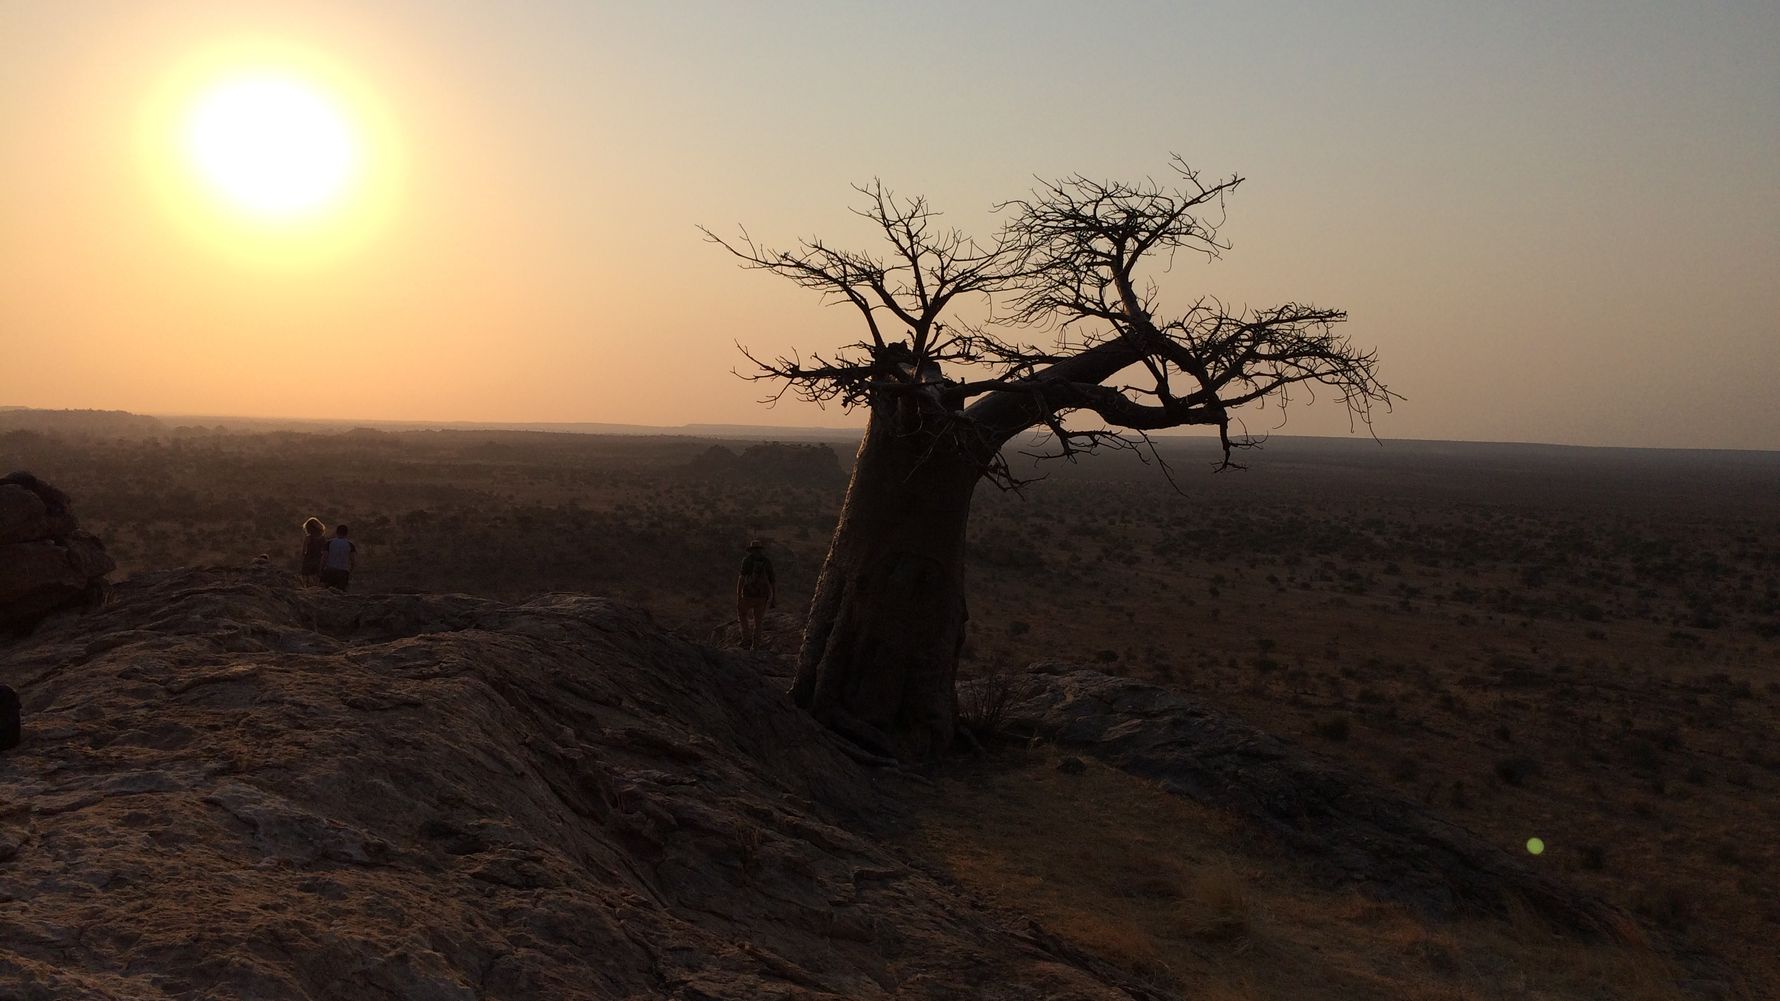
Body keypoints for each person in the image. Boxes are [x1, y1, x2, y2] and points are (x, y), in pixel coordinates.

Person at [735, 539, 776, 650]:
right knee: (759, 621)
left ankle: (746, 639)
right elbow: (772, 581)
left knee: (742, 614)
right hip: (762, 596)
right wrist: (773, 597)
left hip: (748, 594)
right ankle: (756, 644)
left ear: (751, 550)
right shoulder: (767, 562)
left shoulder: (747, 561)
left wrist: (738, 594)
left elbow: (742, 578)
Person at [319, 524, 356, 592]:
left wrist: (321, 569)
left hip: (330, 570)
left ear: (336, 532)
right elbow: (353, 561)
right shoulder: (350, 545)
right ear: (346, 533)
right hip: (343, 571)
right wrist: (350, 572)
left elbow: (324, 558)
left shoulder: (329, 543)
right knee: (341, 593)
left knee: (327, 592)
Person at [299, 518, 327, 585]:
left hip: (308, 560)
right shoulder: (322, 538)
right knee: (316, 582)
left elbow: (303, 551)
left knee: (306, 582)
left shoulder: (308, 538)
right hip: (318, 561)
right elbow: (325, 551)